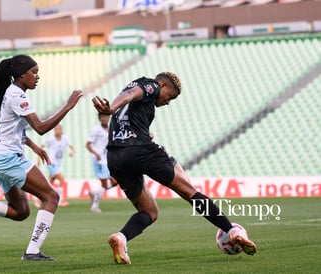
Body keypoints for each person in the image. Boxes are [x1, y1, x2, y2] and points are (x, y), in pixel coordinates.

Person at [92, 72, 257, 265]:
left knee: (149, 211)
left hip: (115, 157)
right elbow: (132, 94)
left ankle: (121, 238)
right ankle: (232, 230)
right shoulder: (150, 85)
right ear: (162, 84)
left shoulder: (139, 101)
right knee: (190, 192)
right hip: (140, 151)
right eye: (170, 96)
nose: (168, 102)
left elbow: (130, 104)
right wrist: (110, 107)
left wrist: (142, 130)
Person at [0, 54, 83, 261]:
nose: (37, 77)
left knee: (21, 212)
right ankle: (32, 252)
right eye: (34, 72)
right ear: (22, 74)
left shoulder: (11, 93)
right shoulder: (17, 95)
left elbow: (14, 129)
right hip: (9, 159)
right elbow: (39, 128)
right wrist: (68, 106)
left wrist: (34, 148)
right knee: (51, 197)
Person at [86, 113, 118, 213]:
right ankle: (94, 206)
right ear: (100, 118)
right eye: (103, 117)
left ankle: (94, 192)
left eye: (107, 116)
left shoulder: (111, 128)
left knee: (115, 182)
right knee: (104, 183)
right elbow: (88, 145)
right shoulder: (96, 130)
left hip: (107, 159)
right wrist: (96, 153)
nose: (105, 118)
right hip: (98, 160)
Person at [42, 124, 74, 207]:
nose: (57, 130)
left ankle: (38, 198)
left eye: (58, 129)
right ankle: (60, 200)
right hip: (51, 162)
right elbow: (41, 147)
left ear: (61, 130)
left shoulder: (65, 138)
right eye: (55, 129)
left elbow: (72, 147)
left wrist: (72, 152)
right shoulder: (50, 139)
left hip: (58, 163)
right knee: (62, 180)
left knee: (48, 183)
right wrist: (39, 159)